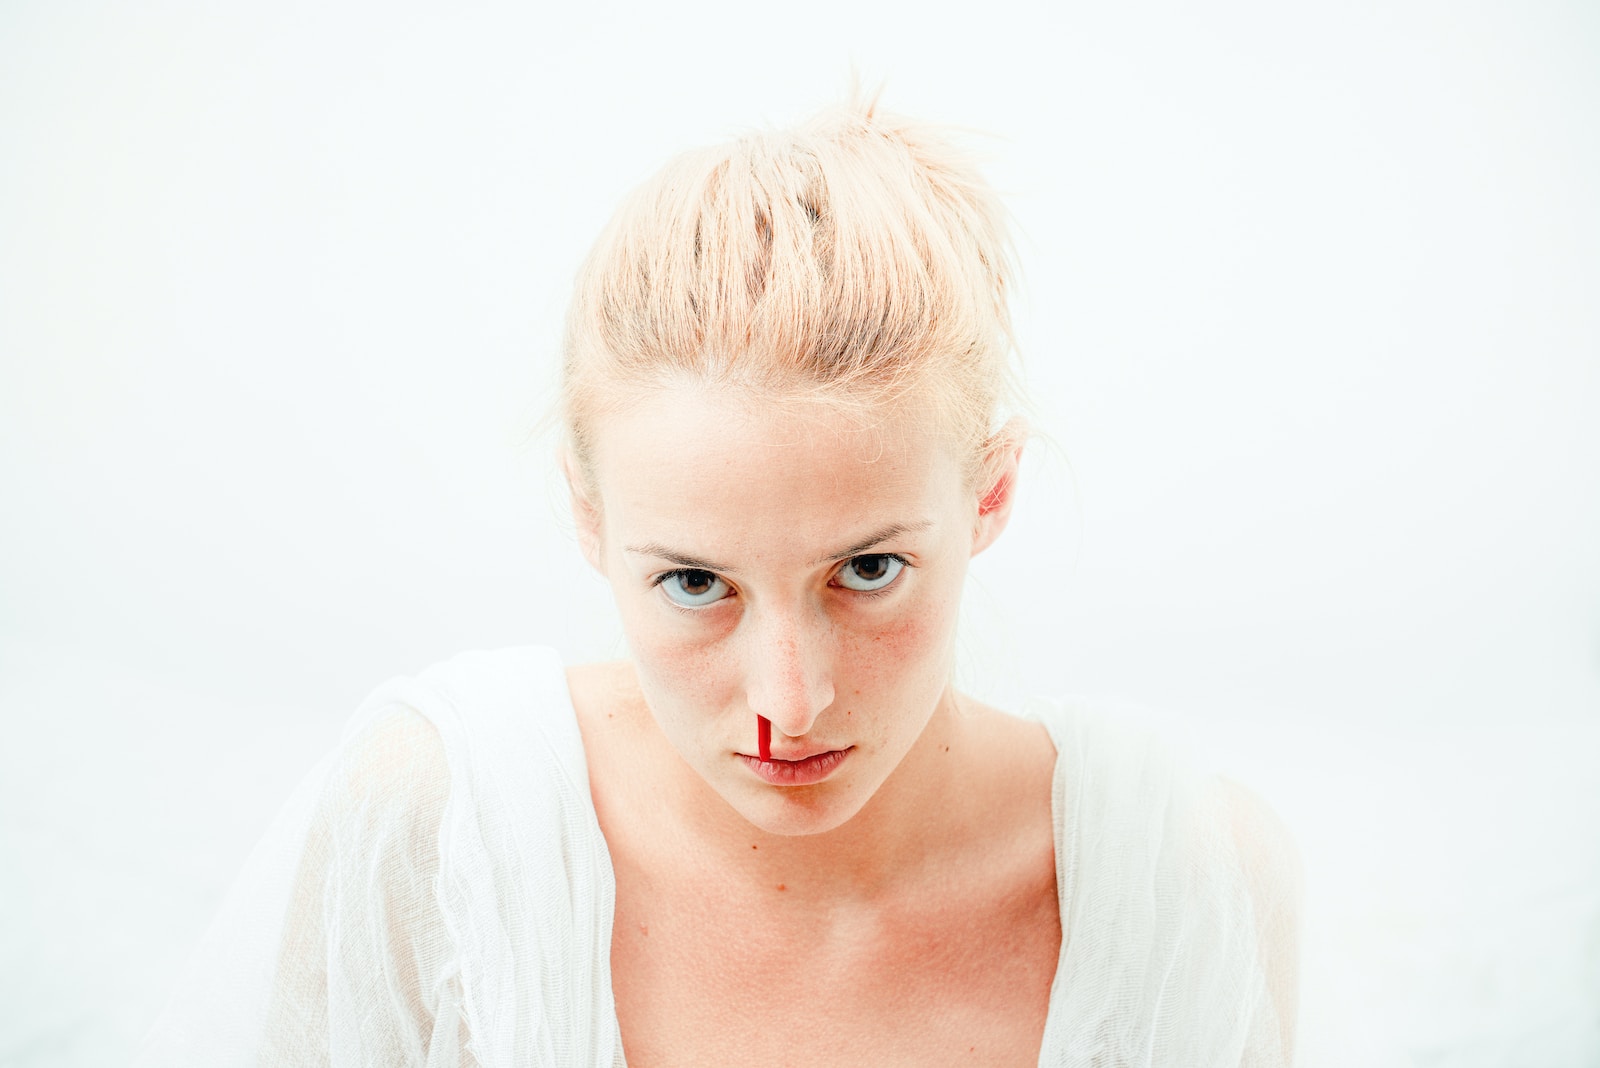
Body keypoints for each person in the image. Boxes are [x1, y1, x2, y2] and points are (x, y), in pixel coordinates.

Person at [136, 97, 1301, 1067]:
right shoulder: (444, 831)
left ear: (989, 496)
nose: (789, 705)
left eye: (868, 570)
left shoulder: (1180, 887)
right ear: (589, 521)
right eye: (696, 583)